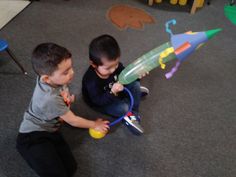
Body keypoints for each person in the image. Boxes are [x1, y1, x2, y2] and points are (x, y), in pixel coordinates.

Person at [16, 43, 109, 177]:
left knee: (71, 168)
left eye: (70, 67)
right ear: (46, 79)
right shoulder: (49, 98)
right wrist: (95, 124)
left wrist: (66, 100)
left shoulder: (54, 79)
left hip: (51, 130)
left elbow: (60, 92)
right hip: (32, 137)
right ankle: (30, 154)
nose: (72, 73)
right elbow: (74, 121)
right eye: (65, 72)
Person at [82, 34, 149, 134]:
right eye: (108, 68)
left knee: (134, 84)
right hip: (101, 101)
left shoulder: (113, 66)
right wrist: (112, 92)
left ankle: (133, 111)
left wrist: (136, 76)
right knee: (124, 108)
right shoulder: (91, 81)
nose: (113, 69)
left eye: (116, 64)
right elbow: (98, 101)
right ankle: (129, 112)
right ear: (93, 64)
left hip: (117, 88)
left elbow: (124, 76)